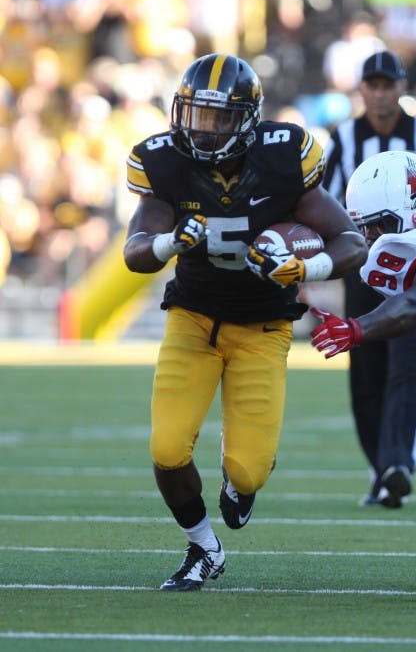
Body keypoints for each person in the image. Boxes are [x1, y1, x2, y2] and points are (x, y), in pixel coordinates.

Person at [122, 53, 367, 591]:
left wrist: (308, 266)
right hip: (193, 319)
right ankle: (203, 547)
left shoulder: (283, 159)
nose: (201, 129)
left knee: (248, 471)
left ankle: (239, 483)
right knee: (166, 448)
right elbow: (136, 251)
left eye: (216, 118)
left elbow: (351, 240)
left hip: (263, 327)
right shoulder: (164, 163)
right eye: (194, 114)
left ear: (248, 118)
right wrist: (168, 242)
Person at [320, 50, 416, 509]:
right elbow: (318, 203)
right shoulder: (342, 140)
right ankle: (381, 469)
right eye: (373, 85)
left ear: (402, 87)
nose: (380, 94)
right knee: (365, 371)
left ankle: (398, 463)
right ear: (362, 90)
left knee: (406, 363)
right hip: (362, 270)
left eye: (388, 85)